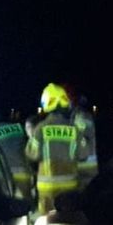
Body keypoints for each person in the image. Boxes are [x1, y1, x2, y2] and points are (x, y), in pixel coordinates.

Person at [25, 82, 86, 216]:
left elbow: (31, 155)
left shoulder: (40, 129)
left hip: (48, 192)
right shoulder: (75, 129)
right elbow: (84, 155)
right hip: (70, 192)